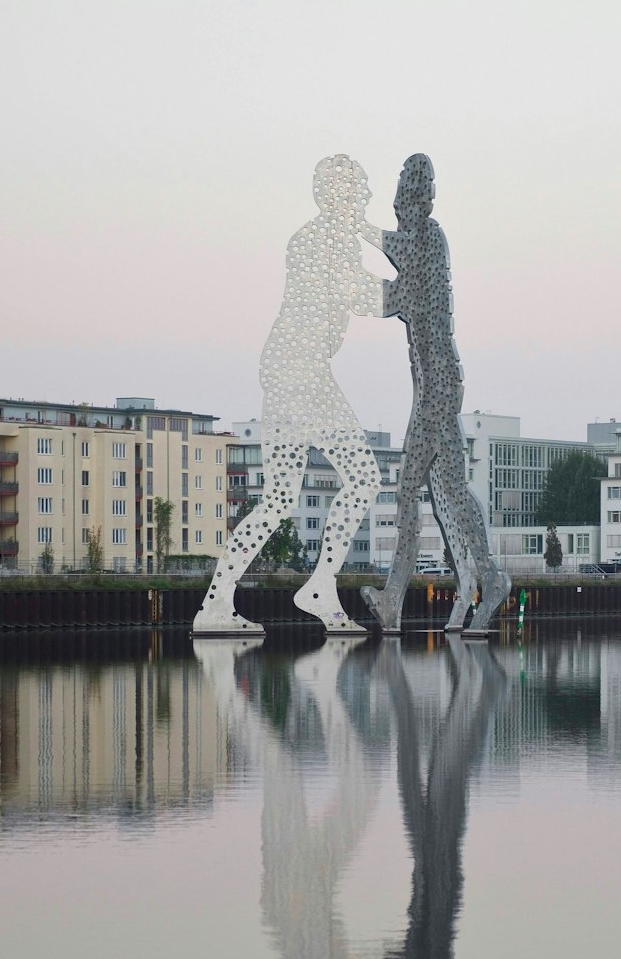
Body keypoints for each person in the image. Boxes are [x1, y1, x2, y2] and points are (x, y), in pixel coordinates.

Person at [194, 155, 386, 636]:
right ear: (335, 196)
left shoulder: (323, 237)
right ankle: (318, 585)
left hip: (291, 371)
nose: (362, 200)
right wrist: (417, 287)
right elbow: (364, 297)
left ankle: (217, 603)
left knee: (279, 499)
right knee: (362, 477)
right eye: (356, 194)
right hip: (301, 375)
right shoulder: (322, 240)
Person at [360, 154, 509, 635]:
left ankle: (393, 598)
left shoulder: (426, 238)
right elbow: (389, 297)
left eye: (406, 193)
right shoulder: (421, 249)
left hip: (437, 389)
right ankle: (488, 579)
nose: (402, 204)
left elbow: (392, 270)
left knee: (407, 489)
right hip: (436, 386)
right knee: (449, 491)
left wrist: (351, 228)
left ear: (413, 197)